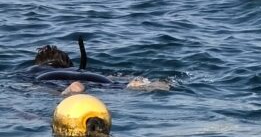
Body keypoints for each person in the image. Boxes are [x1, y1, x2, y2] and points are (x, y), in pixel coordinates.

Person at [25, 37, 169, 92]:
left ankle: (72, 90)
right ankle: (140, 84)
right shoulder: (76, 68)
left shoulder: (37, 70)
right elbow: (114, 75)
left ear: (40, 63)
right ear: (68, 62)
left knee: (56, 90)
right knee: (118, 84)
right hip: (94, 77)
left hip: (51, 78)